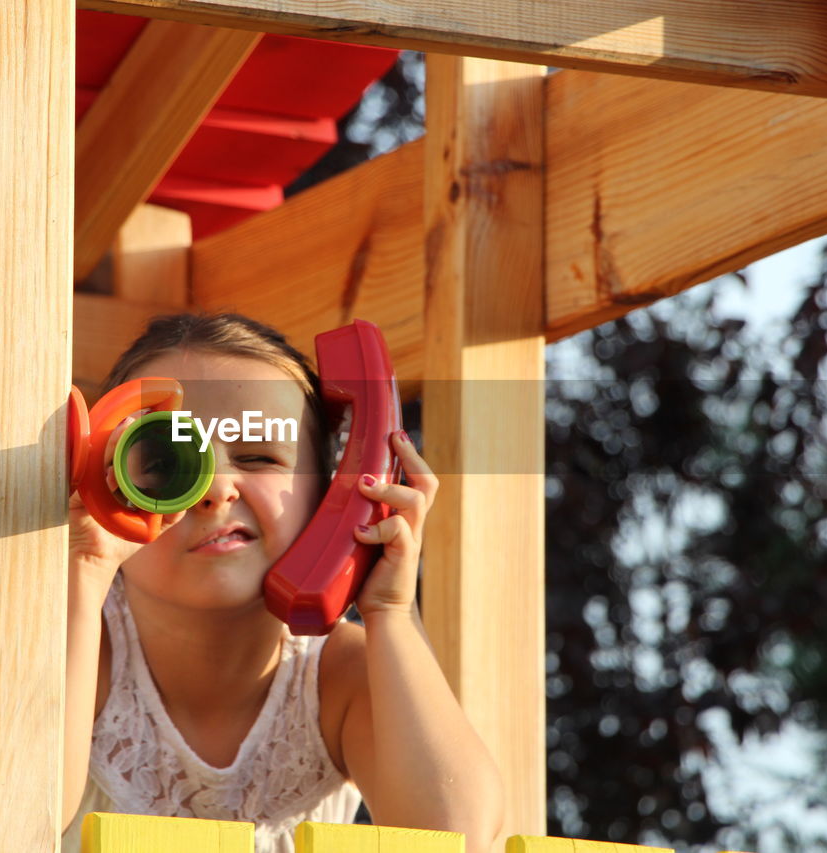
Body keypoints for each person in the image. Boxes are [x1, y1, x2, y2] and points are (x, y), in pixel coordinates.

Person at [61, 312, 504, 853]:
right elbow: (11, 802)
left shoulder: (337, 677)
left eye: (258, 456)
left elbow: (454, 836)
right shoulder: (88, 653)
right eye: (168, 461)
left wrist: (391, 611)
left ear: (335, 493)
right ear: (109, 485)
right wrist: (85, 569)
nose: (218, 488)